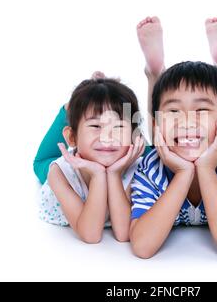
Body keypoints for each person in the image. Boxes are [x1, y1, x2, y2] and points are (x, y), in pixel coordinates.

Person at [130, 17, 217, 260]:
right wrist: (184, 173)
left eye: (201, 110)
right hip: (178, 144)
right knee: (165, 133)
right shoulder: (150, 168)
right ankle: (156, 72)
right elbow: (142, 247)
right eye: (175, 111)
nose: (186, 120)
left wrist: (206, 168)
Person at [36, 76, 145, 243]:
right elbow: (91, 235)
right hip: (72, 163)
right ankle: (69, 108)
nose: (107, 136)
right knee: (41, 163)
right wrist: (98, 175)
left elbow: (124, 233)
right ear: (71, 137)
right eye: (95, 126)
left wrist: (114, 174)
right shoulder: (59, 172)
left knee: (151, 151)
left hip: (122, 154)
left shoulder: (140, 168)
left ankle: (101, 102)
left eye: (118, 127)